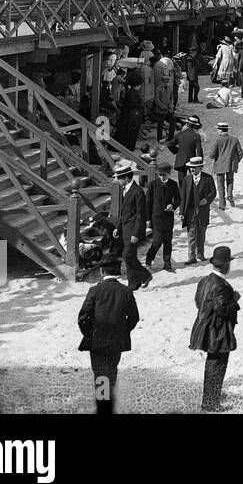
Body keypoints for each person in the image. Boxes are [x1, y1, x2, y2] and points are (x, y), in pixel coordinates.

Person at [77, 257, 140, 413]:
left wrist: (90, 333)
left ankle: (103, 408)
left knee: (100, 374)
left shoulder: (95, 290)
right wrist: (123, 331)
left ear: (101, 271)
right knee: (111, 371)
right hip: (116, 340)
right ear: (118, 271)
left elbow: (83, 317)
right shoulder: (126, 291)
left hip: (97, 339)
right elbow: (134, 317)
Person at [189, 245, 240, 412]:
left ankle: (210, 397)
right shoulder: (222, 286)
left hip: (204, 326)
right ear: (226, 265)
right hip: (216, 330)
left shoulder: (204, 280)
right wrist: (234, 300)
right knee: (217, 366)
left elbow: (198, 302)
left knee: (212, 364)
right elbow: (222, 310)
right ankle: (211, 402)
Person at [115, 160, 152, 290]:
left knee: (127, 256)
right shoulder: (124, 190)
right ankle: (133, 283)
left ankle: (145, 275)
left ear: (125, 178)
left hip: (133, 230)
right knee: (130, 257)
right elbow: (123, 212)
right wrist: (118, 227)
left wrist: (136, 233)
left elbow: (140, 215)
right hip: (125, 228)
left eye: (119, 179)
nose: (118, 182)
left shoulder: (138, 192)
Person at [144, 161, 179, 272]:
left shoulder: (173, 184)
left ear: (169, 173)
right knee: (157, 242)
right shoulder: (153, 185)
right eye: (160, 175)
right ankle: (148, 261)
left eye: (164, 174)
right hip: (156, 218)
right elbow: (148, 203)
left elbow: (179, 199)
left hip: (168, 218)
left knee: (168, 242)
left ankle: (167, 265)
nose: (162, 177)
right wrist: (148, 219)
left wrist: (172, 205)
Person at [180, 157, 215, 265]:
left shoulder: (208, 178)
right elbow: (183, 196)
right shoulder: (187, 179)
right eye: (191, 168)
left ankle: (200, 254)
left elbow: (213, 192)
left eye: (194, 168)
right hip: (190, 211)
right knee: (191, 234)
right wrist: (181, 212)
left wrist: (207, 200)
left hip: (203, 210)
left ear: (200, 167)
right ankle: (191, 257)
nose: (192, 170)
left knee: (201, 232)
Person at [206, 121, 243, 210]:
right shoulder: (235, 139)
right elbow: (240, 153)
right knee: (230, 181)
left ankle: (222, 204)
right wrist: (235, 161)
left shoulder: (218, 140)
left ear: (220, 130)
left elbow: (211, 155)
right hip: (231, 165)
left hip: (219, 165)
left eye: (217, 130)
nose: (217, 132)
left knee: (220, 185)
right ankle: (230, 195)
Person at [166, 115, 203, 188]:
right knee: (194, 180)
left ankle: (182, 197)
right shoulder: (196, 136)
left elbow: (169, 144)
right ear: (194, 126)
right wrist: (200, 163)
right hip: (192, 160)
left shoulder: (179, 134)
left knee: (181, 182)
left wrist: (177, 151)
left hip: (180, 159)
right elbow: (199, 151)